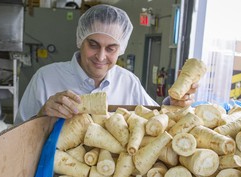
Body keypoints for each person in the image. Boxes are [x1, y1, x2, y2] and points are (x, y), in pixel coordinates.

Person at [15, 4, 198, 124]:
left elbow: (156, 116)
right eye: (93, 45)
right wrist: (40, 116)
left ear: (121, 49)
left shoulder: (128, 82)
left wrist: (173, 102)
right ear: (81, 41)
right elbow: (18, 133)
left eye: (111, 48)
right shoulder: (46, 79)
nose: (101, 57)